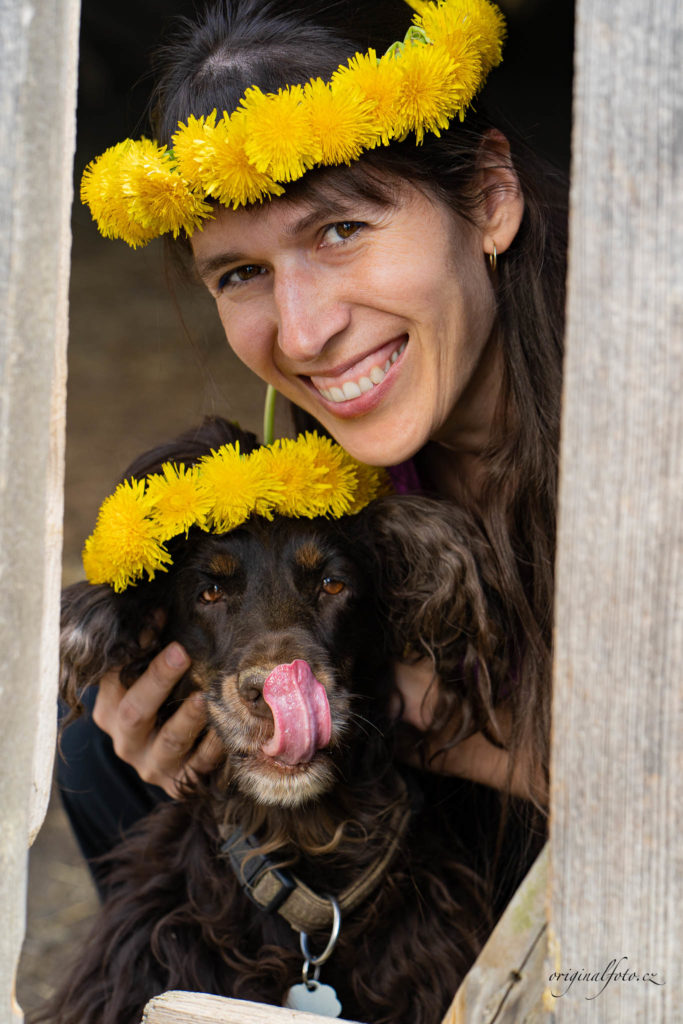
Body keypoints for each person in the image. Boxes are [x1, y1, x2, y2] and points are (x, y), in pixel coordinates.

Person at [63, 0, 565, 887]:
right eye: (242, 273)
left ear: (491, 198)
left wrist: (467, 741)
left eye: (340, 231)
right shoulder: (340, 483)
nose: (300, 336)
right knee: (100, 756)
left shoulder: (648, 433)